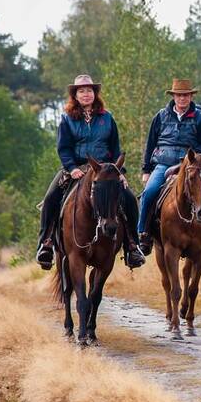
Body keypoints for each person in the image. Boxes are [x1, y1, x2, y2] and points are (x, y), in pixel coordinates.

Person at [35, 74, 146, 270]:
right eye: (82, 91)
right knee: (51, 197)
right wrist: (72, 168)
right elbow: (63, 148)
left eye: (89, 90)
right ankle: (46, 244)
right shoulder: (67, 119)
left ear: (95, 94)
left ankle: (132, 245)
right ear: (75, 95)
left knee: (129, 199)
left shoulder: (107, 118)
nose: (86, 94)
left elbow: (115, 148)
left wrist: (119, 171)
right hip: (76, 168)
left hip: (106, 169)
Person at [138, 78, 201, 253]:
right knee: (149, 192)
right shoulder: (160, 116)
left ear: (191, 96)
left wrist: (191, 156)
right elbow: (150, 144)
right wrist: (146, 170)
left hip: (193, 165)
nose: (182, 99)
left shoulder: (200, 119)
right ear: (173, 96)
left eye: (185, 95)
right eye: (179, 95)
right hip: (163, 163)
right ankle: (142, 235)